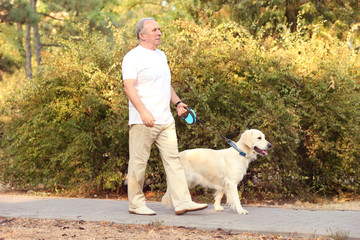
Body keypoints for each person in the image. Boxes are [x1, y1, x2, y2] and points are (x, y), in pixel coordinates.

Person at [122, 17, 208, 215]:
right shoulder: (132, 57)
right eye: (154, 30)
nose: (159, 33)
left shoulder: (161, 56)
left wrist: (177, 103)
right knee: (138, 163)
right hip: (144, 120)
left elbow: (165, 84)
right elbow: (128, 87)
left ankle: (183, 202)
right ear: (142, 35)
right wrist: (143, 112)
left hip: (166, 120)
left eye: (159, 29)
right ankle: (136, 204)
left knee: (174, 161)